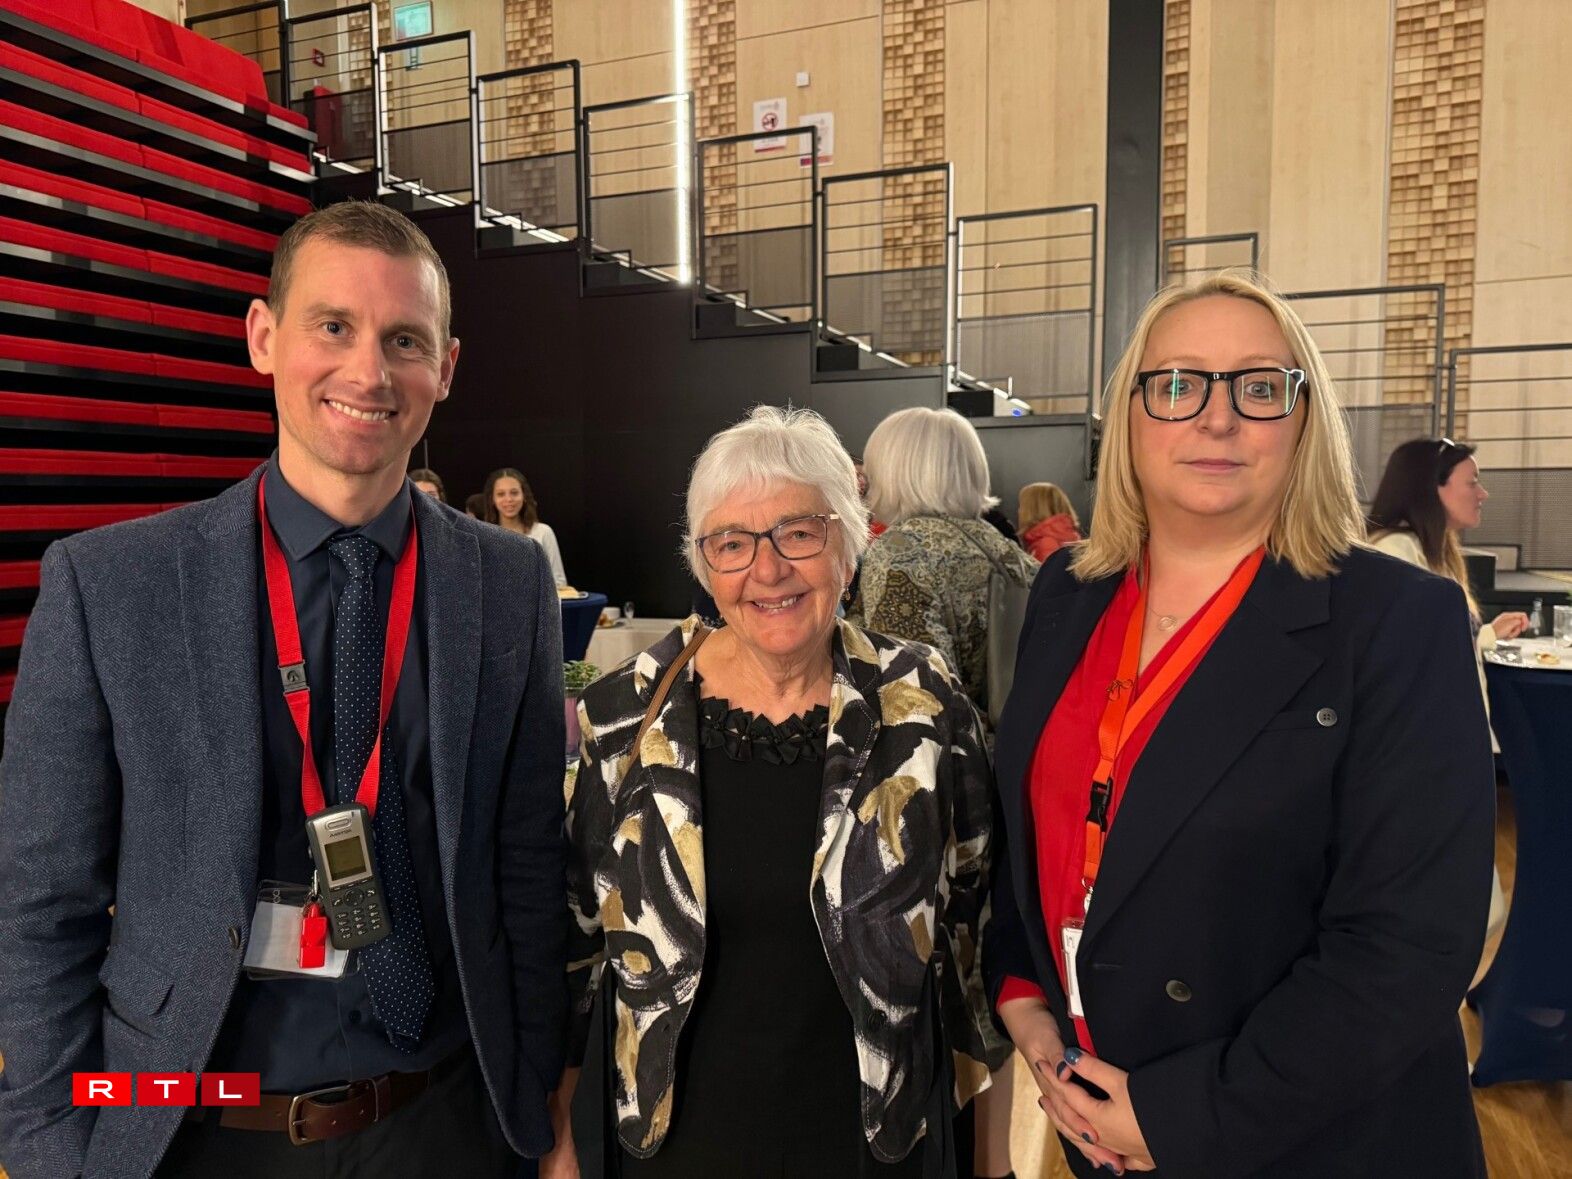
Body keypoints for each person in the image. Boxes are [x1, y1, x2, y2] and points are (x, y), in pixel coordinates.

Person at [0, 201, 570, 1178]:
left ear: (445, 368)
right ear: (263, 337)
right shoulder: (113, 587)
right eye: (333, 326)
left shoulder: (507, 584)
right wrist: (51, 1151)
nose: (369, 372)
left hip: (442, 1121)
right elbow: (41, 901)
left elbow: (526, 867)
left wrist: (540, 1108)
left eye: (404, 340)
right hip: (196, 1124)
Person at [986, 271, 1495, 1178]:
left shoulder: (1397, 619)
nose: (1216, 418)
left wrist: (1182, 1116)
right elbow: (1034, 822)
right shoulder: (1068, 592)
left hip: (1309, 1134)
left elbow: (1408, 944)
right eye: (1178, 383)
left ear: (1304, 420)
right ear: (1130, 415)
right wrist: (1024, 994)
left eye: (1259, 387)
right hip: (1097, 1110)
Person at [547, 405, 1008, 1177]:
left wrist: (990, 1156)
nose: (767, 570)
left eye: (798, 532)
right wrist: (560, 1133)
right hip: (677, 1145)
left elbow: (974, 932)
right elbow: (577, 942)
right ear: (704, 564)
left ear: (848, 542)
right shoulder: (627, 711)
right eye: (732, 543)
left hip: (871, 1142)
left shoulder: (921, 700)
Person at [1368, 435, 1523, 935]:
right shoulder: (1396, 552)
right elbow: (1402, 661)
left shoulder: (1431, 552)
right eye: (1471, 482)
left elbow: (1435, 646)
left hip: (1438, 752)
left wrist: (1485, 634)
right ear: (1431, 488)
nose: (1482, 493)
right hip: (1415, 760)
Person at [850, 406, 1039, 720]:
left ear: (894, 471)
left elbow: (916, 692)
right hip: (1013, 737)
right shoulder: (1001, 546)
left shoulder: (900, 553)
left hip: (941, 745)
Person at [485, 467, 567, 589]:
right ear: (492, 499)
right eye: (501, 494)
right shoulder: (483, 536)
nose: (509, 499)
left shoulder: (543, 532)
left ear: (524, 496)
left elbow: (559, 582)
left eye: (514, 493)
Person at [1017, 481, 1082, 562]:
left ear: (1033, 509)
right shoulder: (1063, 535)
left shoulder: (1046, 544)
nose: (1019, 511)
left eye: (1021, 506)